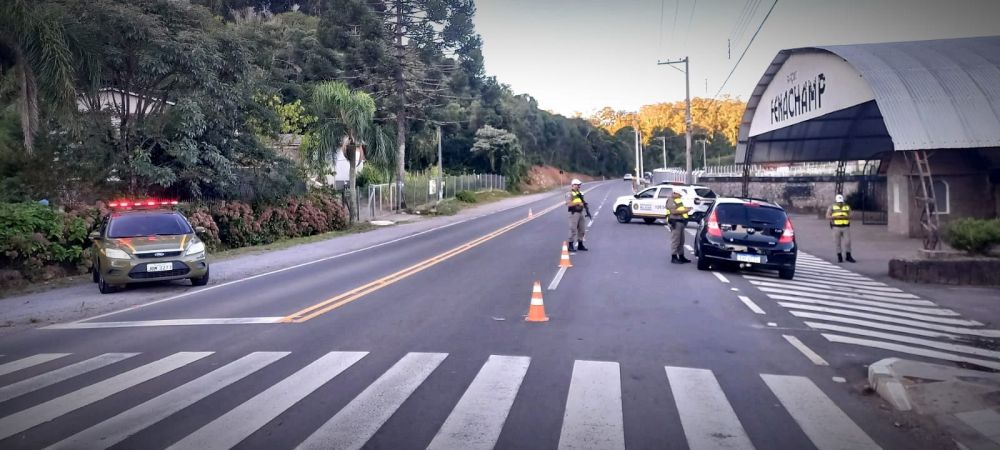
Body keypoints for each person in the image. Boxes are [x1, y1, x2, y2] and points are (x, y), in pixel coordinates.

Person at [826, 194, 856, 263]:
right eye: (839, 202)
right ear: (836, 201)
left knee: (848, 242)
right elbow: (827, 216)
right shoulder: (832, 207)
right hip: (836, 227)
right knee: (837, 243)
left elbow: (851, 215)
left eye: (841, 202)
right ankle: (839, 257)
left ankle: (848, 256)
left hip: (845, 227)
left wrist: (846, 217)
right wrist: (835, 217)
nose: (840, 203)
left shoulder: (847, 207)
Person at [666, 191, 691, 264]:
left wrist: (686, 209)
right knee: (675, 241)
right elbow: (674, 211)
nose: (680, 196)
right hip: (675, 222)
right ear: (674, 193)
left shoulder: (677, 200)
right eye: (679, 194)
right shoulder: (671, 200)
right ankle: (674, 257)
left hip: (680, 222)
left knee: (681, 241)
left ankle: (681, 256)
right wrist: (685, 210)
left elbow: (679, 209)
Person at [565, 179, 590, 251]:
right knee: (573, 229)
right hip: (574, 213)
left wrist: (584, 205)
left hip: (580, 213)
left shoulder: (579, 193)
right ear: (573, 185)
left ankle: (580, 245)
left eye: (579, 185)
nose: (579, 186)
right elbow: (568, 204)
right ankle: (570, 246)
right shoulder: (569, 194)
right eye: (577, 185)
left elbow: (582, 202)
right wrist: (578, 203)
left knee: (582, 229)